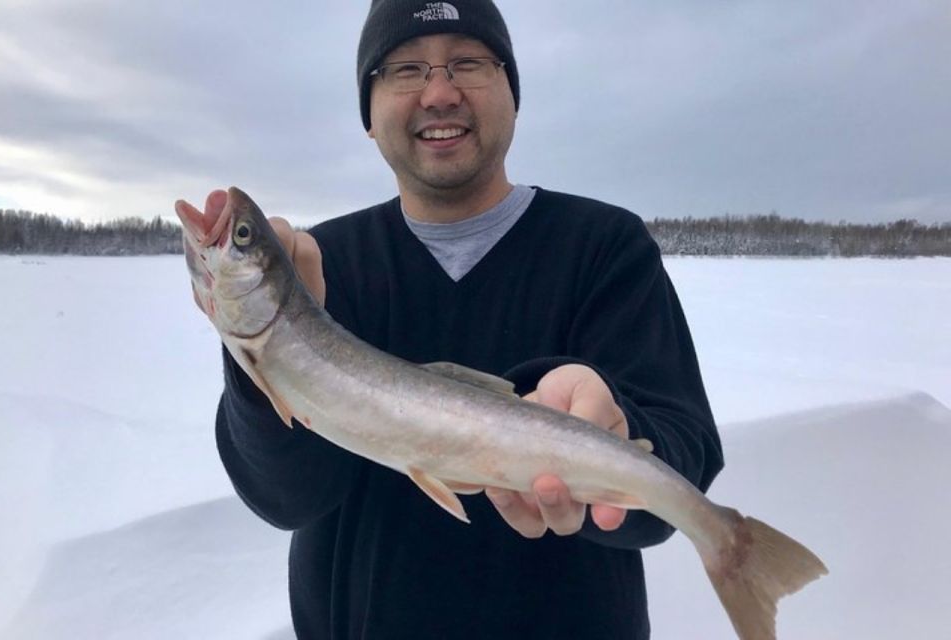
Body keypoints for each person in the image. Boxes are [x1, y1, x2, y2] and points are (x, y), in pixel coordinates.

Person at [205, 1, 724, 638]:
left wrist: (614, 423)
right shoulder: (319, 264)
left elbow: (683, 458)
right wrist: (269, 354)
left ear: (512, 93)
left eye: (468, 63)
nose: (440, 92)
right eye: (405, 69)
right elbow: (284, 499)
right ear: (368, 113)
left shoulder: (605, 246)